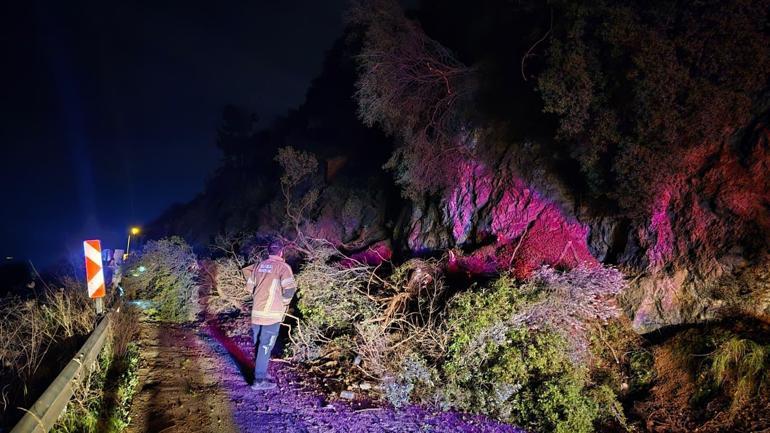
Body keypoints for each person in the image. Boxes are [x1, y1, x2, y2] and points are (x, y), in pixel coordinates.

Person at [242, 241, 297, 390]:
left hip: (257, 313)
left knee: (259, 344)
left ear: (269, 252)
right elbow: (290, 290)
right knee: (265, 346)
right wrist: (284, 303)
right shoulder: (283, 267)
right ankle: (259, 380)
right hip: (271, 315)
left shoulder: (259, 266)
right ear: (281, 252)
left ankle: (260, 372)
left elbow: (249, 287)